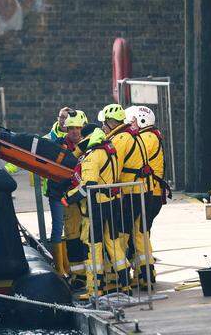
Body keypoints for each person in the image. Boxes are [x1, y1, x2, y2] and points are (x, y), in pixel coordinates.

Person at [65, 127, 131, 298]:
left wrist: (67, 197)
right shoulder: (111, 151)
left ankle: (95, 289)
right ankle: (126, 285)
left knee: (93, 248)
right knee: (114, 244)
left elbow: (88, 186)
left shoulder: (92, 156)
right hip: (112, 204)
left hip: (96, 207)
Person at [98, 103, 154, 289]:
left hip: (130, 193)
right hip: (144, 190)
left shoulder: (120, 139)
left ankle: (119, 278)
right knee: (140, 234)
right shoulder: (134, 135)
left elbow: (114, 165)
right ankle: (147, 275)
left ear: (109, 123)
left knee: (119, 234)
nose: (103, 129)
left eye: (104, 125)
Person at [125, 105, 171, 284]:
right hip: (150, 193)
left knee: (139, 234)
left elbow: (130, 156)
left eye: (132, 122)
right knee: (141, 234)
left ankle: (145, 275)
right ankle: (142, 274)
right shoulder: (150, 136)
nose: (129, 125)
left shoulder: (146, 138)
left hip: (149, 193)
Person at [45, 110, 87, 280]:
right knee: (63, 232)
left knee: (84, 233)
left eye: (77, 127)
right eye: (71, 128)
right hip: (61, 195)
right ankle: (63, 270)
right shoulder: (58, 144)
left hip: (81, 196)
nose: (74, 131)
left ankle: (84, 272)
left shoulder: (90, 144)